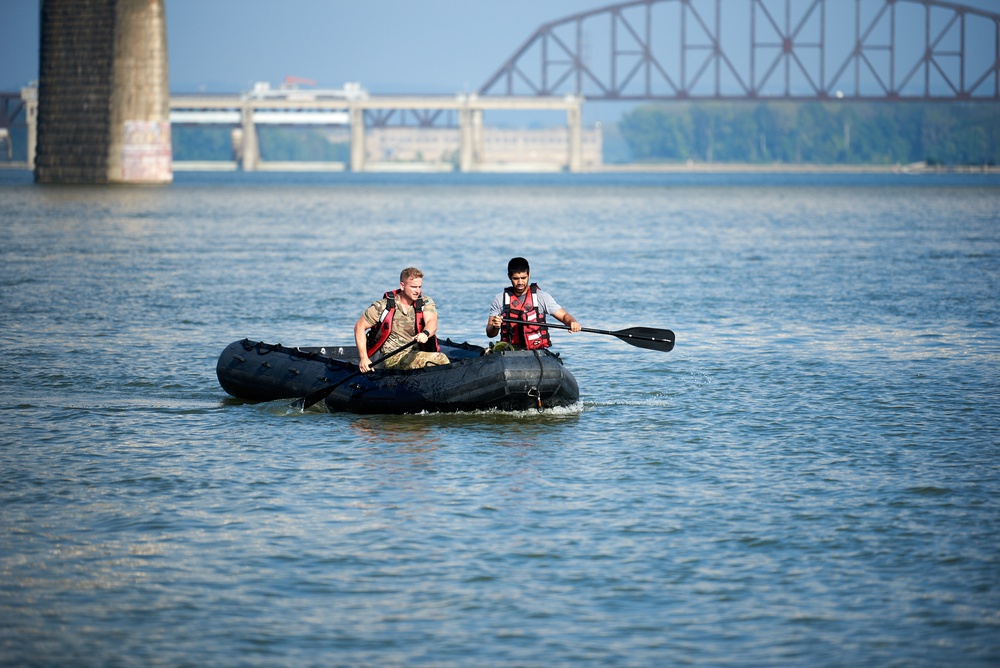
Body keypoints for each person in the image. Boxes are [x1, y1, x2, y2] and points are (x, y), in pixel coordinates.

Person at [355, 267, 450, 373]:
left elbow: (432, 322)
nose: (417, 291)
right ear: (402, 286)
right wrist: (364, 358)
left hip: (416, 353)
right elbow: (359, 327)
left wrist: (425, 333)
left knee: (438, 359)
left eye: (419, 287)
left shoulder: (425, 302)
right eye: (413, 287)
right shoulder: (382, 306)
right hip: (393, 358)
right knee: (440, 359)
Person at [486, 257, 581, 350]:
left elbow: (564, 316)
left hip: (536, 352)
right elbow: (490, 333)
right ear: (509, 276)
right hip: (510, 351)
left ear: (529, 275)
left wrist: (572, 322)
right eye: (516, 278)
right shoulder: (499, 299)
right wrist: (495, 327)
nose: (520, 282)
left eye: (523, 278)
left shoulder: (542, 297)